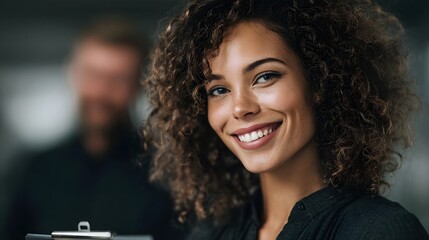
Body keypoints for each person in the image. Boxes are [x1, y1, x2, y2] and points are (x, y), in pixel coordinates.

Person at [143, 0, 429, 239]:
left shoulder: (381, 231)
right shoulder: (212, 232)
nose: (240, 108)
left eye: (265, 77)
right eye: (219, 90)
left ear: (318, 82)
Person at [6, 18, 183, 240]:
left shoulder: (169, 175)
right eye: (92, 74)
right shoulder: (31, 171)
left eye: (117, 79)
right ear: (72, 73)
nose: (100, 91)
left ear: (139, 85)